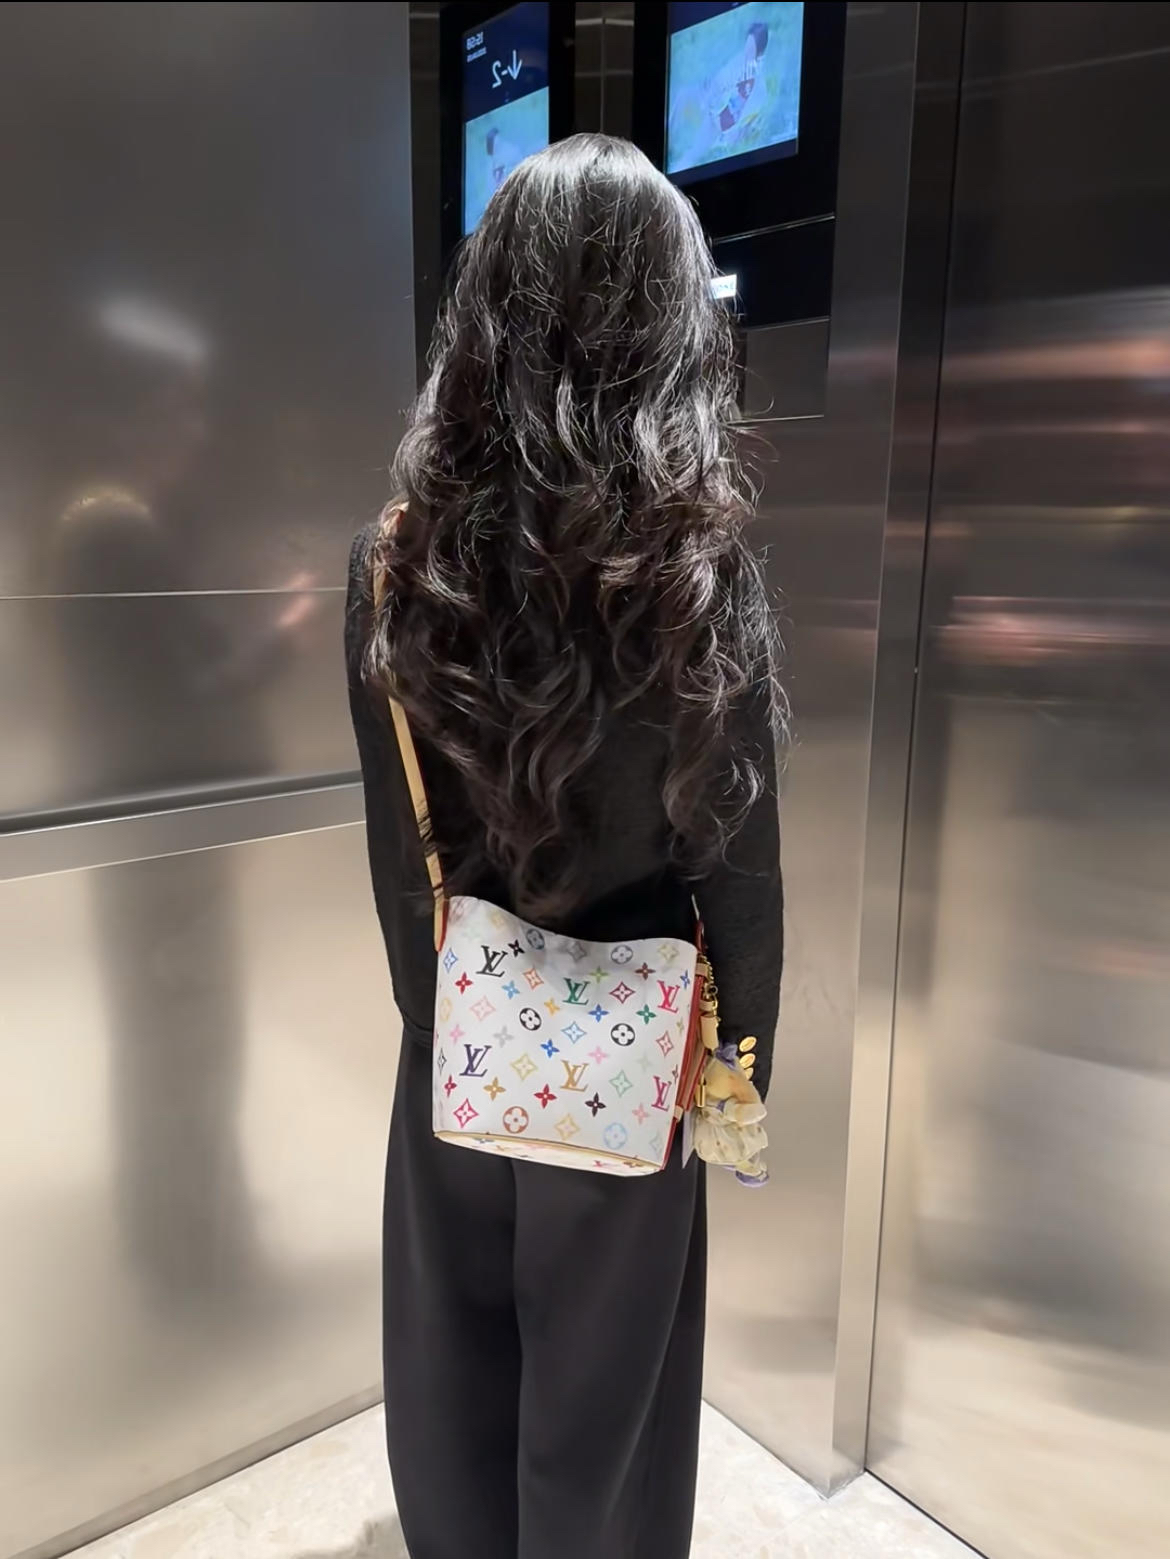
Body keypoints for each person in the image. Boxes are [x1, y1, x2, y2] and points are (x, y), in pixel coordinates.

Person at [345, 134, 783, 1559]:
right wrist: (737, 1060)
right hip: (635, 1045)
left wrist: (445, 1029)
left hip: (462, 1028)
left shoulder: (397, 555)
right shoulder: (697, 568)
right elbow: (737, 855)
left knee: (452, 1375)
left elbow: (395, 840)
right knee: (609, 1412)